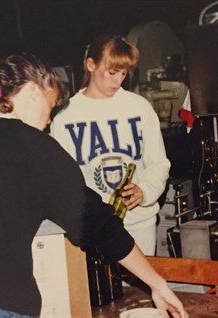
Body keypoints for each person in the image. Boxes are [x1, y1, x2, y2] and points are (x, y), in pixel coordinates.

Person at [0, 52, 188, 318]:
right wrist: (157, 283)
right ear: (32, 91)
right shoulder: (33, 146)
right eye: (50, 107)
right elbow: (98, 223)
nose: (49, 121)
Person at [50, 34, 171, 256]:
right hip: (94, 228)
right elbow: (62, 179)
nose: (118, 81)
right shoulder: (65, 116)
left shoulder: (139, 108)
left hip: (138, 224)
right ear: (90, 64)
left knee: (138, 290)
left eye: (124, 74)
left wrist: (144, 191)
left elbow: (159, 164)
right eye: (112, 72)